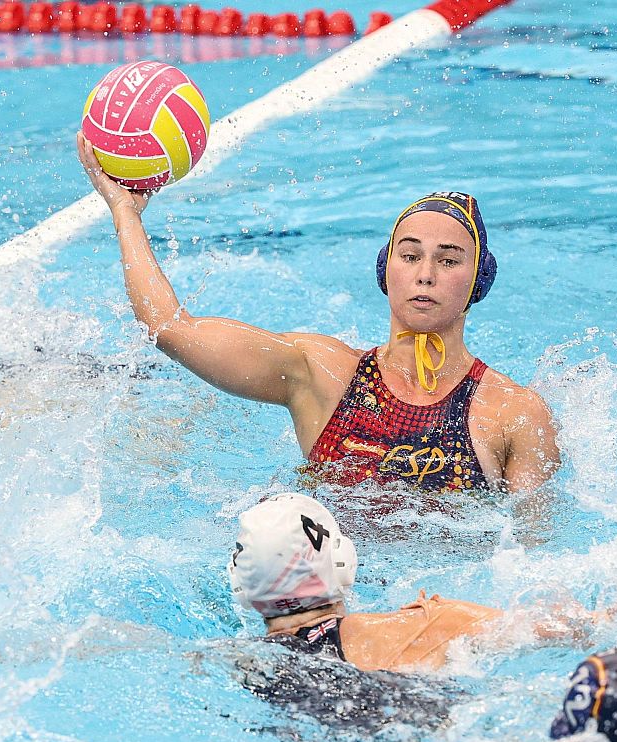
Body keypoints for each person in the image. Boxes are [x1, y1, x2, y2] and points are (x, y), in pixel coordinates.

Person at [77, 135, 560, 494]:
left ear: (479, 281)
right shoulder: (323, 375)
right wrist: (125, 213)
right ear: (384, 269)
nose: (426, 274)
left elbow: (537, 562)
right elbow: (170, 329)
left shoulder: (513, 414)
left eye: (449, 260)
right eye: (410, 256)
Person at [228, 493, 590, 673]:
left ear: (241, 584)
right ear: (342, 563)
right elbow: (573, 630)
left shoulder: (238, 663)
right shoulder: (425, 625)